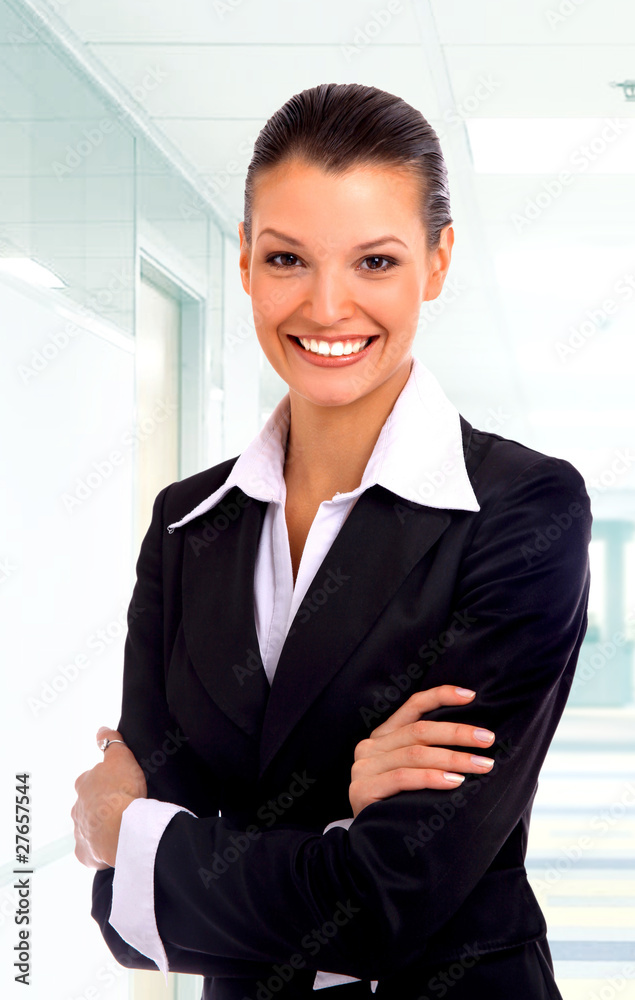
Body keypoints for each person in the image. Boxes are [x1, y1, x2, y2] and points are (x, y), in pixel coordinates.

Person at [71, 83, 592, 1000]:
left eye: (375, 261)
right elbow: (126, 916)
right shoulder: (187, 524)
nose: (326, 306)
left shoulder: (521, 509)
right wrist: (338, 825)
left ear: (437, 262)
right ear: (244, 261)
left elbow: (389, 900)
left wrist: (141, 838)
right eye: (287, 258)